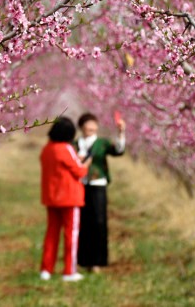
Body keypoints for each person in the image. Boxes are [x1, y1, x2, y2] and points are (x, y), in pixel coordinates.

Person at [74, 112, 126, 272]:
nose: (90, 127)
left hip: (98, 184)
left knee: (98, 222)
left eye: (93, 124)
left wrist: (121, 132)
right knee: (82, 222)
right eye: (87, 124)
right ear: (81, 126)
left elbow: (118, 150)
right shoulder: (75, 144)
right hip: (80, 185)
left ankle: (97, 261)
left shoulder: (102, 143)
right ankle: (82, 260)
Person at [39, 117, 88, 282]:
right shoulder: (66, 148)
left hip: (51, 198)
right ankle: (69, 271)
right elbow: (80, 171)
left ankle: (46, 269)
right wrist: (86, 162)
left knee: (51, 233)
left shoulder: (47, 149)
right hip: (69, 198)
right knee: (71, 235)